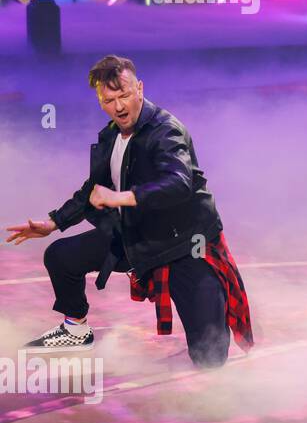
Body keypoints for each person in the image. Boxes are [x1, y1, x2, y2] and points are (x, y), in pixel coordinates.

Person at [5, 56, 252, 367]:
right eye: (109, 100)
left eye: (124, 95)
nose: (118, 106)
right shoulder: (110, 135)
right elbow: (91, 190)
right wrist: (53, 222)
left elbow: (179, 184)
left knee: (210, 357)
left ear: (140, 88)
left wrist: (122, 198)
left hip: (185, 246)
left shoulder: (166, 131)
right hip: (137, 236)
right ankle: (75, 330)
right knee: (60, 256)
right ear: (100, 101)